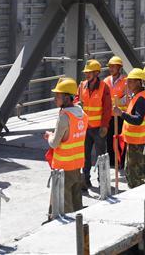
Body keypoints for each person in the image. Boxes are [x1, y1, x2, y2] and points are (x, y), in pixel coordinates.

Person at [44, 77, 87, 215]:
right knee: (76, 200)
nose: (55, 98)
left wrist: (49, 136)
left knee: (64, 204)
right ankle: (79, 227)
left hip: (64, 166)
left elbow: (54, 143)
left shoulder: (64, 117)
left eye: (58, 95)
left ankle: (66, 231)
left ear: (67, 98)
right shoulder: (82, 115)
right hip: (77, 164)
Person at [114, 68, 145, 188]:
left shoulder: (141, 98)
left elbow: (138, 120)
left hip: (138, 143)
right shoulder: (137, 96)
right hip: (134, 142)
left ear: (138, 82)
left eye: (130, 81)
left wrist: (121, 114)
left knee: (136, 175)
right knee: (130, 171)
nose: (127, 84)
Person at [77, 60, 111, 191]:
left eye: (90, 72)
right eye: (86, 72)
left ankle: (102, 181)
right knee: (84, 156)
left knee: (101, 156)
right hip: (85, 128)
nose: (87, 74)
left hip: (98, 129)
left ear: (97, 73)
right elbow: (77, 101)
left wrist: (104, 126)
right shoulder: (82, 86)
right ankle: (85, 180)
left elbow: (107, 109)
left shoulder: (104, 87)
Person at [103, 56, 127, 168]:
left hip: (121, 115)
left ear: (119, 68)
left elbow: (126, 98)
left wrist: (115, 101)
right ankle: (112, 161)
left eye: (114, 66)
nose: (111, 68)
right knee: (109, 139)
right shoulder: (106, 81)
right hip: (109, 116)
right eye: (110, 66)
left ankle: (121, 161)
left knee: (120, 139)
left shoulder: (125, 81)